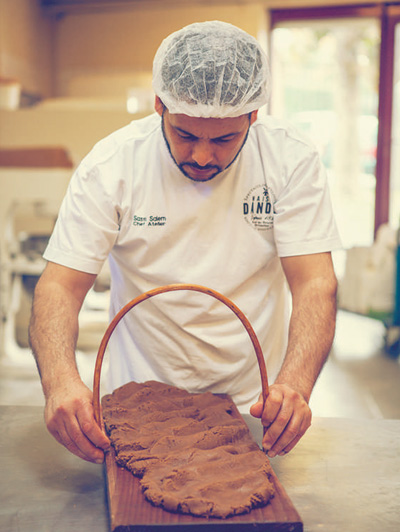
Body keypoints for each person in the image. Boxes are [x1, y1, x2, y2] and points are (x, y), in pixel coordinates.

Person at [29, 20, 341, 465]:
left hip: (251, 408)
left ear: (253, 115)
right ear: (160, 105)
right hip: (137, 406)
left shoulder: (290, 162)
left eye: (224, 139)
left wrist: (295, 384)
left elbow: (314, 284)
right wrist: (60, 381)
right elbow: (59, 286)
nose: (201, 156)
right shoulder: (113, 166)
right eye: (185, 135)